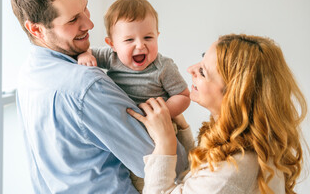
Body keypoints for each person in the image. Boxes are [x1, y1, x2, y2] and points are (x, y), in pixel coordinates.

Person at [10, 0, 188, 194]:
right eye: (73, 20)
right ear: (36, 29)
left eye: (85, 8)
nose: (89, 23)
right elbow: (172, 167)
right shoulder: (87, 85)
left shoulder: (28, 74)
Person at [128, 34, 308, 194]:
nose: (191, 69)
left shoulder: (233, 170)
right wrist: (182, 131)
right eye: (201, 58)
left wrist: (164, 144)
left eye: (202, 72)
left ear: (232, 96)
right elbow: (200, 181)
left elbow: (215, 180)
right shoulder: (249, 146)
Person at [77, 0, 191, 192]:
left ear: (157, 35)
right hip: (128, 131)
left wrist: (162, 114)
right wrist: (85, 55)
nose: (140, 45)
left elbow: (184, 95)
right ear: (112, 43)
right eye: (129, 40)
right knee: (127, 172)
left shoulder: (163, 67)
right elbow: (87, 51)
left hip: (159, 128)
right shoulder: (111, 57)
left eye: (148, 37)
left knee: (153, 177)